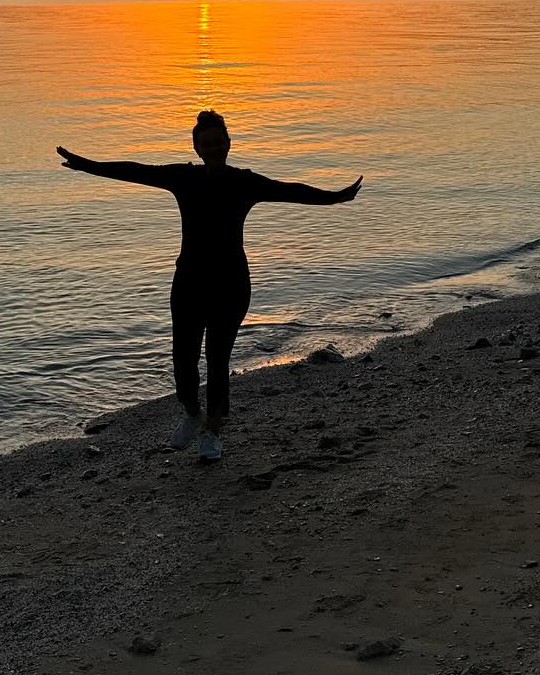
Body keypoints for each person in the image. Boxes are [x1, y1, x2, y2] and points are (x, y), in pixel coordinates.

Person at [55, 110, 362, 464]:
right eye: (207, 143)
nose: (214, 147)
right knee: (183, 357)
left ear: (228, 144)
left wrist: (334, 197)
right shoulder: (185, 178)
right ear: (197, 147)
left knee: (217, 359)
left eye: (220, 141)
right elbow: (135, 170)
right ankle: (191, 411)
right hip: (188, 281)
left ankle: (213, 431)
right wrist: (86, 165)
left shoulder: (244, 182)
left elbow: (289, 190)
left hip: (231, 283)